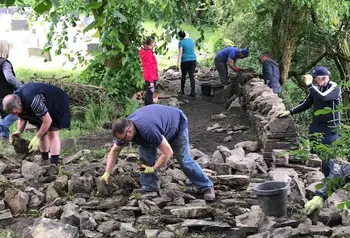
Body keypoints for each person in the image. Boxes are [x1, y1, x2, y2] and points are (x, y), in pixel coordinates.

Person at [100, 104, 215, 201]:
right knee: (144, 159)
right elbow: (114, 151)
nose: (122, 142)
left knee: (184, 161)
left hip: (176, 127)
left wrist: (154, 168)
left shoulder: (148, 129)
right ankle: (150, 187)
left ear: (129, 131)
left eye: (123, 139)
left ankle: (206, 186)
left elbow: (167, 152)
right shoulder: (125, 129)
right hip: (155, 130)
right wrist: (107, 173)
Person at [278, 66, 341, 178]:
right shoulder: (316, 88)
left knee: (326, 154)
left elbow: (324, 98)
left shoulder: (334, 87)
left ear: (323, 78)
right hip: (316, 125)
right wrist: (290, 111)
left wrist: (310, 86)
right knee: (315, 151)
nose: (313, 82)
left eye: (314, 79)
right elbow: (306, 104)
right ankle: (317, 176)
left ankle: (328, 179)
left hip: (330, 127)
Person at [3, 83, 70, 165]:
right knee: (41, 131)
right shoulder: (15, 99)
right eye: (12, 114)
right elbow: (21, 117)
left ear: (19, 105)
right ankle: (45, 161)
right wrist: (18, 131)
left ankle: (54, 164)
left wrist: (37, 137)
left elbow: (47, 121)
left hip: (56, 100)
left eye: (15, 112)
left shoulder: (33, 102)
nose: (14, 115)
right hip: (41, 104)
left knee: (52, 132)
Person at [0, 39, 22, 141]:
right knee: (16, 114)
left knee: (4, 116)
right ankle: (1, 126)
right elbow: (9, 77)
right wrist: (19, 86)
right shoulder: (4, 63)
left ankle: (3, 139)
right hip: (6, 95)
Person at [177, 31, 197, 97]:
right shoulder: (191, 41)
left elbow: (180, 52)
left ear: (180, 36)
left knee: (183, 75)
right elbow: (194, 50)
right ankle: (193, 92)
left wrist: (177, 62)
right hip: (193, 59)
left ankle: (182, 90)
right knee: (192, 76)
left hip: (185, 60)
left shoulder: (181, 42)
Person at [140, 36, 158, 105]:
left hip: (147, 75)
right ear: (152, 43)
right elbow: (150, 67)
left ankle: (146, 108)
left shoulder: (144, 51)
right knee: (150, 94)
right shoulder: (149, 54)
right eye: (154, 42)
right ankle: (149, 110)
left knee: (148, 93)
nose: (155, 44)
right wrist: (151, 82)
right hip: (151, 76)